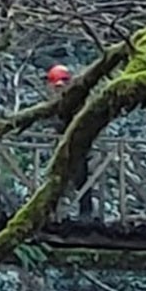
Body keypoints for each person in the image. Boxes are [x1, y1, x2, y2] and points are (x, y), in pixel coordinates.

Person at [45, 63, 94, 218]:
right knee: (56, 180)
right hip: (62, 145)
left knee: (80, 179)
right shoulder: (56, 101)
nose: (58, 89)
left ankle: (85, 213)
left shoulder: (77, 99)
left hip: (77, 144)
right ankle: (53, 212)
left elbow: (78, 121)